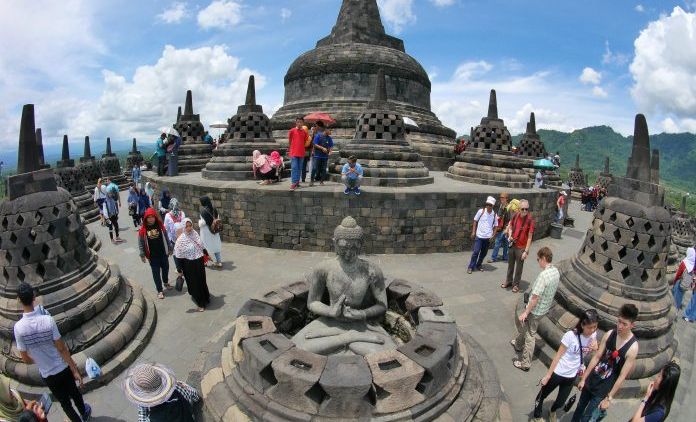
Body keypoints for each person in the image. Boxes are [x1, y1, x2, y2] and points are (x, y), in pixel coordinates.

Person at [13, 283, 92, 422]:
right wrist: (74, 369)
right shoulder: (47, 320)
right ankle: (84, 414)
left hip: (47, 373)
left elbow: (25, 359)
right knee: (75, 393)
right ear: (34, 297)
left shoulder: (18, 328)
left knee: (64, 403)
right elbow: (62, 348)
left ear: (18, 299)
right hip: (62, 367)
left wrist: (39, 359)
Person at [572, 304, 640, 422]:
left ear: (632, 325)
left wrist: (609, 397)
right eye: (619, 321)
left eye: (625, 324)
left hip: (604, 388)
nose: (620, 326)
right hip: (592, 379)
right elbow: (597, 356)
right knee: (579, 407)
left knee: (587, 416)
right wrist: (584, 378)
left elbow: (622, 376)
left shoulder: (632, 348)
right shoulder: (610, 334)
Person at [532, 309, 599, 422]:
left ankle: (552, 410)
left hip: (572, 375)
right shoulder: (571, 335)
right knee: (543, 395)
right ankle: (537, 416)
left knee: (561, 402)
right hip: (558, 372)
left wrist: (596, 347)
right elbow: (558, 355)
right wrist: (548, 375)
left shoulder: (594, 335)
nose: (592, 330)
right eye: (590, 327)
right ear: (582, 324)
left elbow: (593, 351)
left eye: (595, 327)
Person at [511, 247, 560, 371]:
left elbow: (535, 298)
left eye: (538, 259)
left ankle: (525, 363)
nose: (538, 262)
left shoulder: (543, 276)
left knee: (530, 334)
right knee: (526, 326)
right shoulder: (555, 272)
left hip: (536, 310)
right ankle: (518, 344)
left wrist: (526, 312)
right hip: (545, 308)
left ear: (544, 258)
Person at [122, 363, 200, 422]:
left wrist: (143, 404)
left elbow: (142, 419)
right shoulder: (179, 389)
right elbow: (195, 396)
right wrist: (182, 385)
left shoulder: (150, 420)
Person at [174, 219, 211, 311]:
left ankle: (204, 300)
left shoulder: (195, 234)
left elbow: (201, 245)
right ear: (183, 227)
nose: (189, 228)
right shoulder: (180, 240)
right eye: (186, 226)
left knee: (202, 280)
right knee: (194, 283)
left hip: (199, 261)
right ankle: (201, 302)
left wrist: (206, 254)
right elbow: (178, 255)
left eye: (190, 225)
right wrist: (179, 270)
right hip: (188, 264)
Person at [138, 208, 173, 299]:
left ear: (155, 217)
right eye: (148, 217)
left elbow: (166, 237)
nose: (151, 219)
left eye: (152, 217)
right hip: (153, 256)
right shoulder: (143, 230)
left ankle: (165, 282)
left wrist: (169, 247)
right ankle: (159, 290)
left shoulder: (160, 225)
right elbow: (141, 243)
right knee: (156, 273)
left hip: (163, 253)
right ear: (146, 218)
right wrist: (142, 254)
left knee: (166, 268)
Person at [501, 199, 535, 293]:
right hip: (513, 244)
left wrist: (526, 251)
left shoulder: (530, 220)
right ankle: (508, 281)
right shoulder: (515, 215)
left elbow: (529, 237)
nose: (524, 211)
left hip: (521, 247)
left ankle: (516, 284)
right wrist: (510, 234)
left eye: (526, 209)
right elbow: (511, 225)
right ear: (519, 209)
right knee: (510, 265)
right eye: (523, 209)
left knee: (519, 267)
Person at [467, 196, 498, 274]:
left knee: (484, 253)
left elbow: (496, 226)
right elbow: (475, 221)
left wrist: (493, 235)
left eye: (490, 205)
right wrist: (473, 232)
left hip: (488, 238)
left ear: (493, 205)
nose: (488, 206)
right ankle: (471, 266)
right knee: (476, 252)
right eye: (487, 204)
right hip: (479, 236)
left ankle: (479, 264)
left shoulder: (494, 215)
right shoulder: (481, 211)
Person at [164, 198, 186, 286]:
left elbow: (166, 228)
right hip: (183, 238)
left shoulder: (168, 216)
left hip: (173, 239)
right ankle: (183, 268)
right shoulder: (182, 213)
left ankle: (179, 269)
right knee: (182, 252)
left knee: (176, 255)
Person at [199, 196, 222, 268]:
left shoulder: (203, 212)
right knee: (216, 247)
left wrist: (199, 222)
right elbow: (217, 218)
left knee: (206, 247)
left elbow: (202, 223)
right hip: (214, 231)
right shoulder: (214, 209)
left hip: (207, 232)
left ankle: (209, 261)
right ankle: (219, 261)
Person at [670, 247, 694, 313]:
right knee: (680, 297)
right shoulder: (692, 263)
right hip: (686, 284)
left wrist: (674, 281)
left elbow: (678, 274)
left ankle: (673, 311)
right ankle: (676, 309)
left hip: (680, 281)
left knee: (675, 296)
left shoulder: (685, 262)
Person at [489, 193, 512, 263]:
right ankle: (495, 257)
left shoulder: (509, 207)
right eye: (500, 198)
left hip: (506, 227)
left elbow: (510, 218)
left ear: (506, 198)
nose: (501, 199)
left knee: (505, 243)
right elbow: (499, 216)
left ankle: (504, 257)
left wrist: (507, 228)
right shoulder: (501, 206)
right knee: (498, 243)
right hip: (500, 227)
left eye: (503, 198)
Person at [310, 122, 333, 186]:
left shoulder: (329, 138)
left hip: (325, 156)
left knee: (324, 169)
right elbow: (315, 144)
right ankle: (311, 181)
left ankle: (321, 181)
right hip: (317, 155)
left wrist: (330, 151)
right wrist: (322, 148)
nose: (331, 132)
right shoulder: (318, 135)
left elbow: (331, 146)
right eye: (330, 130)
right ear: (326, 130)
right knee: (314, 168)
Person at [288, 117, 307, 190]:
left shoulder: (304, 132)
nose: (299, 123)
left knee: (299, 168)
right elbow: (290, 141)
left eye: (301, 122)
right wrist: (292, 148)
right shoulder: (292, 131)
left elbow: (304, 142)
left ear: (303, 123)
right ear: (296, 123)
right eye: (298, 122)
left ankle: (297, 182)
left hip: (301, 152)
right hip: (293, 152)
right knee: (294, 167)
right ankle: (293, 183)